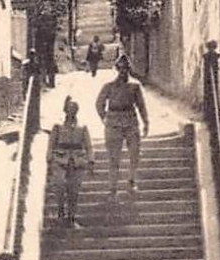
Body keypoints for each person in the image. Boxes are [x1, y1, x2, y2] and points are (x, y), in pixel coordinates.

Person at [95, 54, 150, 199]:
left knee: (135, 153)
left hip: (131, 121)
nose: (123, 72)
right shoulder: (109, 87)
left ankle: (131, 181)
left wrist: (146, 122)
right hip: (113, 123)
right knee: (114, 158)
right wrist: (104, 118)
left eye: (126, 69)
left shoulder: (134, 87)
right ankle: (112, 188)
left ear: (129, 70)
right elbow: (99, 104)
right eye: (120, 69)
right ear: (117, 70)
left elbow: (141, 106)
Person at [47, 97, 94, 228]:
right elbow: (51, 144)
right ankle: (60, 212)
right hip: (60, 159)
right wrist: (49, 160)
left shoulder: (82, 127)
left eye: (74, 110)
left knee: (74, 190)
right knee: (60, 185)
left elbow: (88, 146)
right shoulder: (57, 126)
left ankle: (71, 217)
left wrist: (91, 161)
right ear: (65, 111)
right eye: (69, 109)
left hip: (77, 161)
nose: (71, 112)